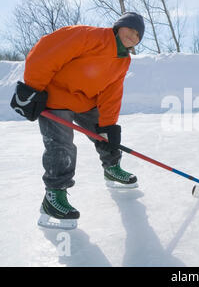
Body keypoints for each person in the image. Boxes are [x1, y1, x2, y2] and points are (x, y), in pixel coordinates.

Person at [10, 12, 145, 230]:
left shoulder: (123, 61)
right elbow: (48, 51)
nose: (133, 35)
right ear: (119, 27)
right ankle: (53, 197)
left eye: (138, 34)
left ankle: (112, 167)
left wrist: (108, 125)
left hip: (85, 102)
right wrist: (32, 88)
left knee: (105, 135)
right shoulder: (90, 36)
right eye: (130, 28)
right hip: (56, 98)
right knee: (61, 145)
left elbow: (113, 91)